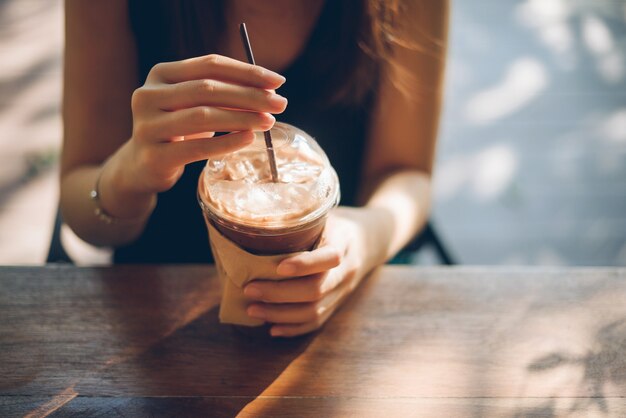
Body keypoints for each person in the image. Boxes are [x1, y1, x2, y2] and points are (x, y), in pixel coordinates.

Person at [61, 0, 448, 337]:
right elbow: (81, 207)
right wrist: (131, 172)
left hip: (342, 313)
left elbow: (407, 172)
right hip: (156, 316)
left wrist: (362, 240)